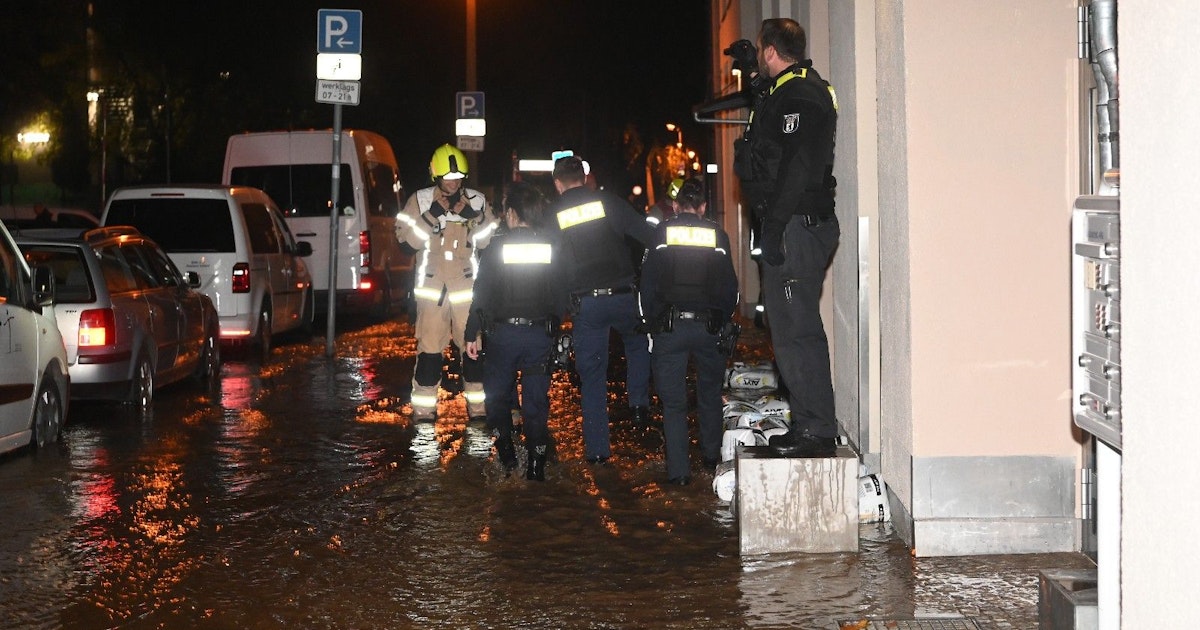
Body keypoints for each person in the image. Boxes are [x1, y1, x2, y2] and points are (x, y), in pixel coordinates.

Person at [731, 18, 840, 458]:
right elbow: (772, 141)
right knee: (788, 327)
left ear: (772, 50)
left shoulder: (801, 94)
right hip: (790, 224)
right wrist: (753, 81)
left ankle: (816, 432)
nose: (758, 58)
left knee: (797, 331)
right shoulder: (787, 90)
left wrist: (773, 231)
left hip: (796, 225)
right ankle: (809, 424)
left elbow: (796, 167)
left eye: (760, 52)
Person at [548, 155, 654, 463]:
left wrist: (556, 310)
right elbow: (647, 236)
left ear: (558, 184)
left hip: (587, 304)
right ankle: (638, 402)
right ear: (585, 176)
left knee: (592, 376)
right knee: (637, 343)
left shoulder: (554, 214)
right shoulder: (608, 202)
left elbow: (552, 266)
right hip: (623, 296)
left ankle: (597, 453)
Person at [464, 182, 569, 480]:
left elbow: (481, 294)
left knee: (496, 397)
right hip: (539, 337)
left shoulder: (497, 247)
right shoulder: (550, 246)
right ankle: (536, 466)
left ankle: (507, 454)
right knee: (536, 402)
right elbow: (561, 293)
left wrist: (472, 333)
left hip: (503, 338)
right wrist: (554, 324)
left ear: (511, 213)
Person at [638, 178, 739, 485]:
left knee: (674, 403)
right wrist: (722, 321)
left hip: (670, 327)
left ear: (677, 205)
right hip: (709, 328)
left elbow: (647, 286)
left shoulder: (661, 233)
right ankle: (711, 460)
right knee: (709, 394)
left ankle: (679, 474)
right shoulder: (717, 235)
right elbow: (730, 290)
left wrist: (652, 327)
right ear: (703, 207)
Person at [395, 144, 499, 423]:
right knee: (429, 352)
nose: (453, 182)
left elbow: (489, 239)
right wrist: (431, 215)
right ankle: (424, 410)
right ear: (435, 176)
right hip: (432, 290)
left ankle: (478, 409)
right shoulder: (419, 200)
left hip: (467, 288)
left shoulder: (476, 200)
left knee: (473, 351)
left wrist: (474, 218)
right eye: (448, 177)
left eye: (458, 177)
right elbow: (405, 242)